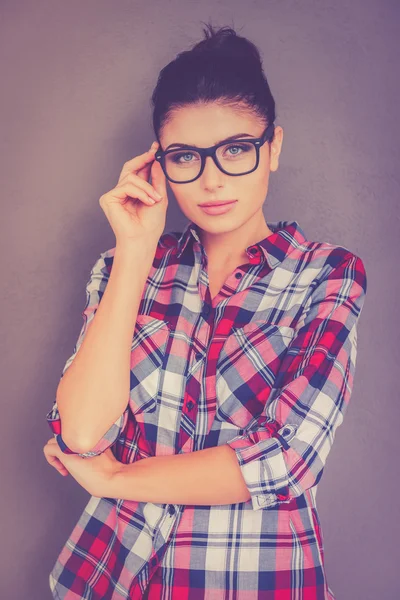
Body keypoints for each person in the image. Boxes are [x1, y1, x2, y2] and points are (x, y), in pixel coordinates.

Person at [43, 22, 367, 600]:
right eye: (186, 157)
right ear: (158, 163)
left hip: (251, 580)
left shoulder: (328, 276)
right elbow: (85, 432)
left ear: (274, 148)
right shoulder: (124, 266)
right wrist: (136, 250)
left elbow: (284, 459)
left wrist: (116, 476)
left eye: (237, 149)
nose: (212, 179)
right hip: (110, 577)